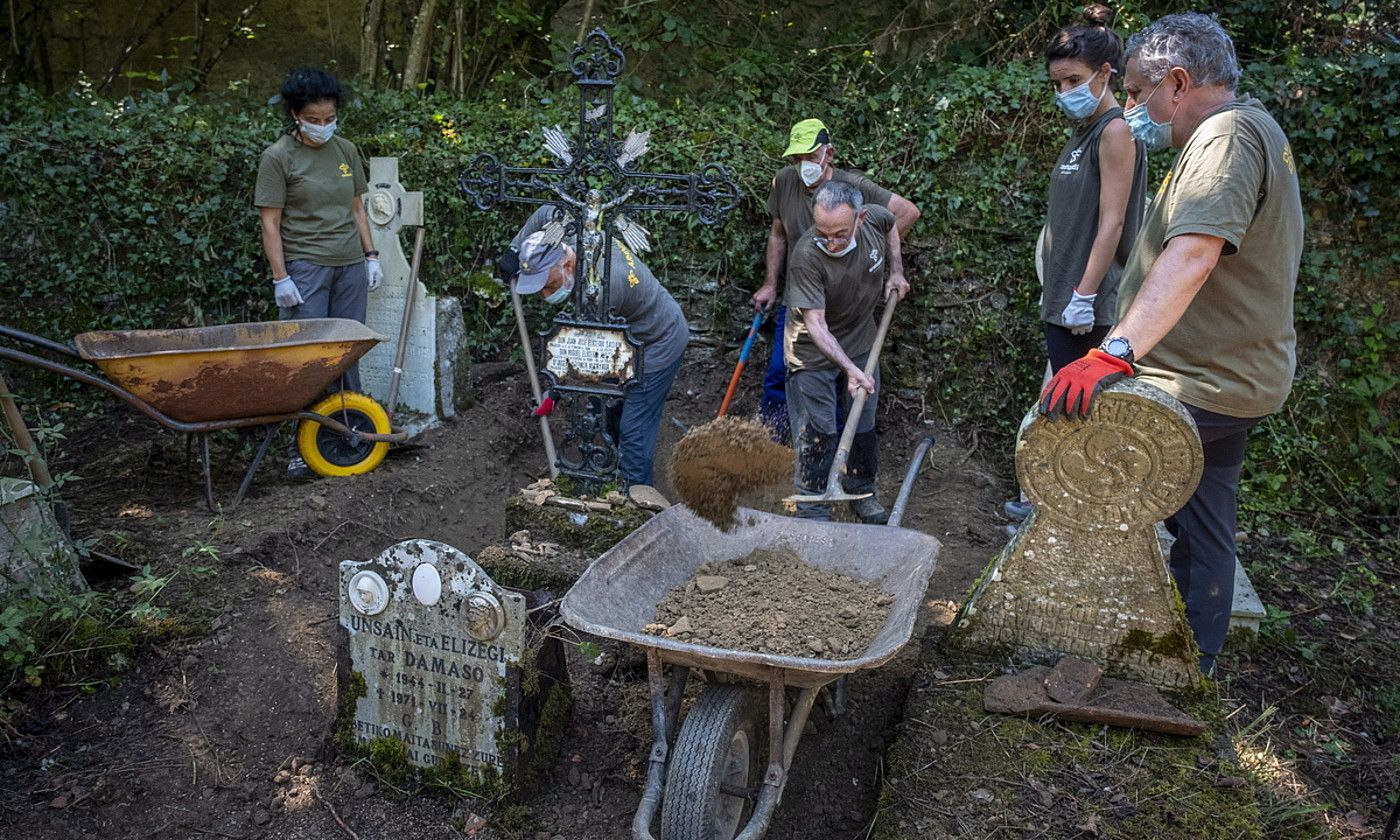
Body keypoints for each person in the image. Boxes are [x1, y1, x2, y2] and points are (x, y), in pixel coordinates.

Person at [1039, 12, 1304, 676]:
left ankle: (1076, 634)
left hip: (1200, 381)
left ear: (1178, 83)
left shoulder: (1227, 137)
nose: (1130, 108)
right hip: (1231, 377)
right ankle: (1189, 663)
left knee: (1091, 467)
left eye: (1134, 92)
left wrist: (1113, 353)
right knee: (1205, 523)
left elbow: (1192, 257)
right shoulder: (1249, 132)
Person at [1006, 3, 1148, 524]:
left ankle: (1062, 516)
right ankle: (1051, 511)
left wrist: (1086, 296)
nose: (1063, 91)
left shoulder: (1115, 131)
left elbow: (1113, 222)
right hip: (1062, 294)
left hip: (1085, 302)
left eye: (1073, 80)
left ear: (1106, 73)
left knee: (1075, 413)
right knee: (1061, 406)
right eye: (1057, 83)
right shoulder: (1083, 131)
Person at [751, 118, 920, 442]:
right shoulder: (784, 182)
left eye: (810, 157)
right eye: (796, 159)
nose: (803, 166)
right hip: (801, 299)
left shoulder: (852, 188)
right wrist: (771, 283)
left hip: (848, 305)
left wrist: (873, 262)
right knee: (781, 372)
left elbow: (904, 213)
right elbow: (777, 234)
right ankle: (773, 446)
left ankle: (839, 456)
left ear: (829, 153)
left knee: (848, 381)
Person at [254, 68, 383, 478]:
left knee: (346, 354)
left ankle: (349, 436)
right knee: (307, 360)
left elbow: (357, 208)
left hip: (349, 267)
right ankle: (300, 449)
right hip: (306, 268)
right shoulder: (278, 157)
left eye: (329, 119)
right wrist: (281, 278)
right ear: (296, 113)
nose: (323, 127)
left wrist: (372, 255)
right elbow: (270, 223)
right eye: (315, 119)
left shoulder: (344, 150)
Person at [512, 220, 688, 496]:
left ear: (567, 265)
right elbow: (546, 211)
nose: (545, 295)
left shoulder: (601, 291)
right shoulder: (576, 231)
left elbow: (582, 355)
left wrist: (554, 393)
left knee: (634, 429)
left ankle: (637, 503)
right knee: (610, 413)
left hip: (658, 340)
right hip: (622, 336)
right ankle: (620, 472)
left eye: (548, 285)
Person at [785, 180, 909, 523]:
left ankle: (861, 491)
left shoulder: (876, 220)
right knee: (819, 430)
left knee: (864, 421)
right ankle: (813, 506)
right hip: (811, 352)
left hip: (861, 341)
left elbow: (892, 226)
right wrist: (851, 371)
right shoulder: (806, 256)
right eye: (822, 231)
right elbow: (816, 326)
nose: (830, 241)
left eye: (839, 233)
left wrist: (896, 271)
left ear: (860, 218)